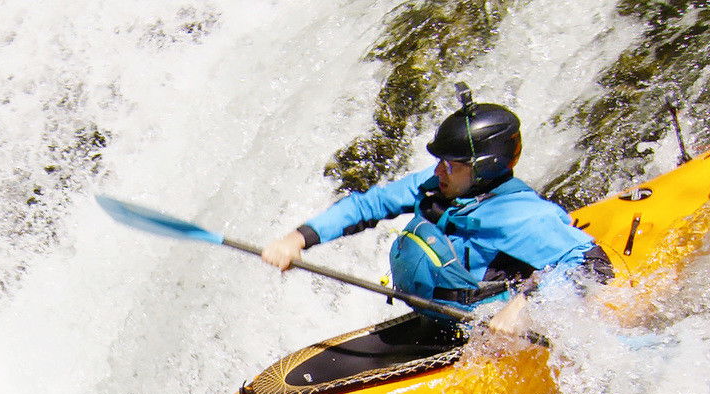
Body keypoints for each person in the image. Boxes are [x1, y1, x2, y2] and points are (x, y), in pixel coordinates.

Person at [262, 85, 612, 336]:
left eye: (453, 164)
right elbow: (370, 204)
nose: (440, 171)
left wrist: (524, 306)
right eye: (440, 162)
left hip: (485, 330)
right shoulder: (438, 184)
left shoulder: (524, 215)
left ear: (486, 167)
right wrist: (299, 238)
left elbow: (593, 265)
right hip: (438, 320)